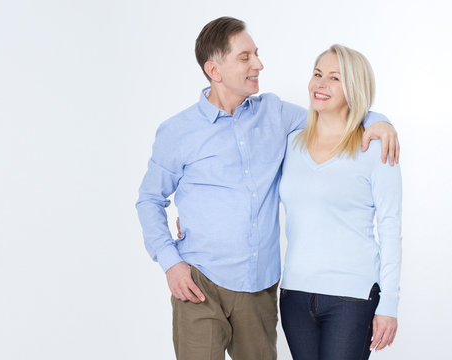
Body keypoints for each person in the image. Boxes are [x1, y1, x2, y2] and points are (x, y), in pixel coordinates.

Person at [136, 17, 399, 360]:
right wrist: (171, 262)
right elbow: (149, 199)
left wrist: (380, 121)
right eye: (245, 58)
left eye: (256, 54)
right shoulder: (177, 131)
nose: (259, 64)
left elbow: (335, 111)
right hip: (198, 281)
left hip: (260, 289)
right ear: (215, 70)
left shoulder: (275, 114)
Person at [279, 44, 402, 360]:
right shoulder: (290, 144)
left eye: (335, 78)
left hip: (352, 297)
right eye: (317, 74)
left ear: (355, 87)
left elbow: (390, 229)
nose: (320, 85)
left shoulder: (375, 147)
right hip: (294, 294)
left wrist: (389, 303)